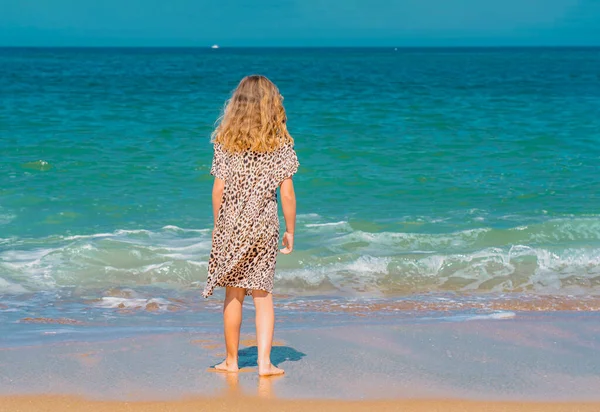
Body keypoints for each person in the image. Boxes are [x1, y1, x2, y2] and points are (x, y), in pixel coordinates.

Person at [203, 75, 299, 377]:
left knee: (233, 294)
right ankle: (264, 364)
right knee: (262, 294)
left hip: (232, 224)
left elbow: (218, 190)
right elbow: (286, 192)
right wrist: (290, 230)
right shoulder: (279, 144)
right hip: (264, 225)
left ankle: (231, 361)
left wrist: (220, 225)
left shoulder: (225, 142)